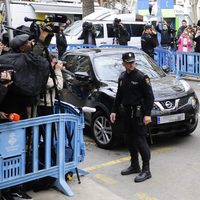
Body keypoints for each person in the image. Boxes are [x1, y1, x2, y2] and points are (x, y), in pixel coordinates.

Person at [110, 52, 154, 183]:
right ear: (123, 63)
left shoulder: (141, 77)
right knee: (129, 139)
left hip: (139, 114)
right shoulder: (122, 76)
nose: (131, 64)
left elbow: (150, 97)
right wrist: (114, 111)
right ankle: (135, 165)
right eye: (128, 62)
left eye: (132, 62)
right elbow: (119, 95)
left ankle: (146, 170)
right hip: (126, 113)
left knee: (140, 141)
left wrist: (147, 114)